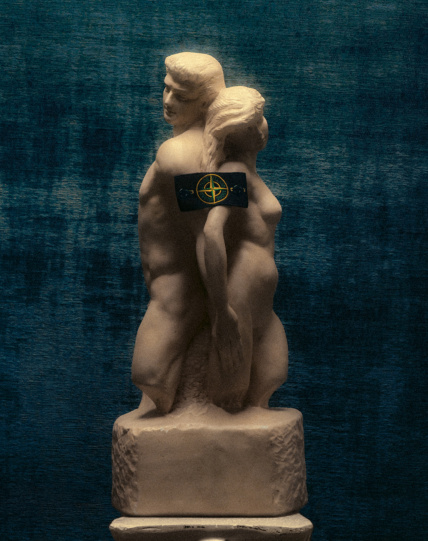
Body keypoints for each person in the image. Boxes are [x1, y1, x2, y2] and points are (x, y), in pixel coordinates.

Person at [131, 52, 225, 414]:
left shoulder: (178, 153)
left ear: (205, 104)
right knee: (154, 396)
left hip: (176, 298)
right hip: (175, 295)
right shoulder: (201, 151)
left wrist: (223, 311)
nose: (168, 100)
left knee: (149, 378)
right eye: (166, 88)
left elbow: (210, 233)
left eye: (181, 96)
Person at [184, 86, 289, 411]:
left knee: (271, 377)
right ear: (229, 134)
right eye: (248, 124)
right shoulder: (233, 171)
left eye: (260, 119)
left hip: (262, 302)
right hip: (239, 297)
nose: (259, 129)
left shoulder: (248, 173)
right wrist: (222, 309)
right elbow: (211, 231)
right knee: (230, 396)